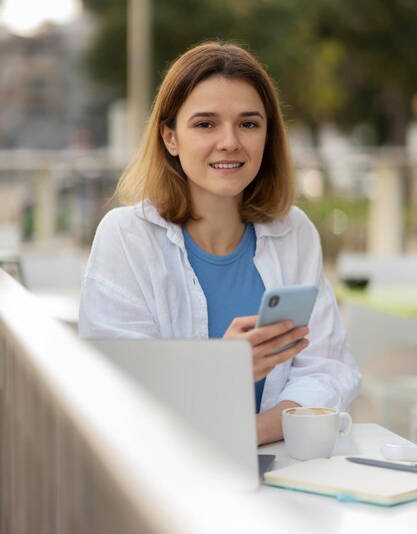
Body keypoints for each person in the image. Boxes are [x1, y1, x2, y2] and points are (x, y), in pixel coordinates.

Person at [79, 41, 361, 445]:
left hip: (277, 466)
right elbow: (116, 388)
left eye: (248, 124)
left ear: (268, 136)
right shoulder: (126, 237)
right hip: (163, 478)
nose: (230, 141)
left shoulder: (294, 232)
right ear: (170, 138)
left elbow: (329, 370)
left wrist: (246, 435)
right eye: (205, 124)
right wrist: (218, 369)